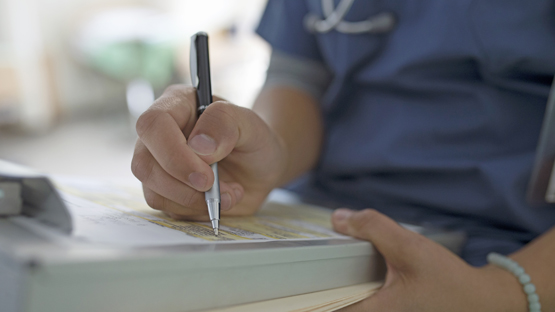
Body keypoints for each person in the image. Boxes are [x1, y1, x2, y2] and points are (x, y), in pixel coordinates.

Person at [131, 1, 555, 310]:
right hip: (322, 229)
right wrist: (265, 150)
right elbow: (297, 77)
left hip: (509, 257)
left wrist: (506, 291)